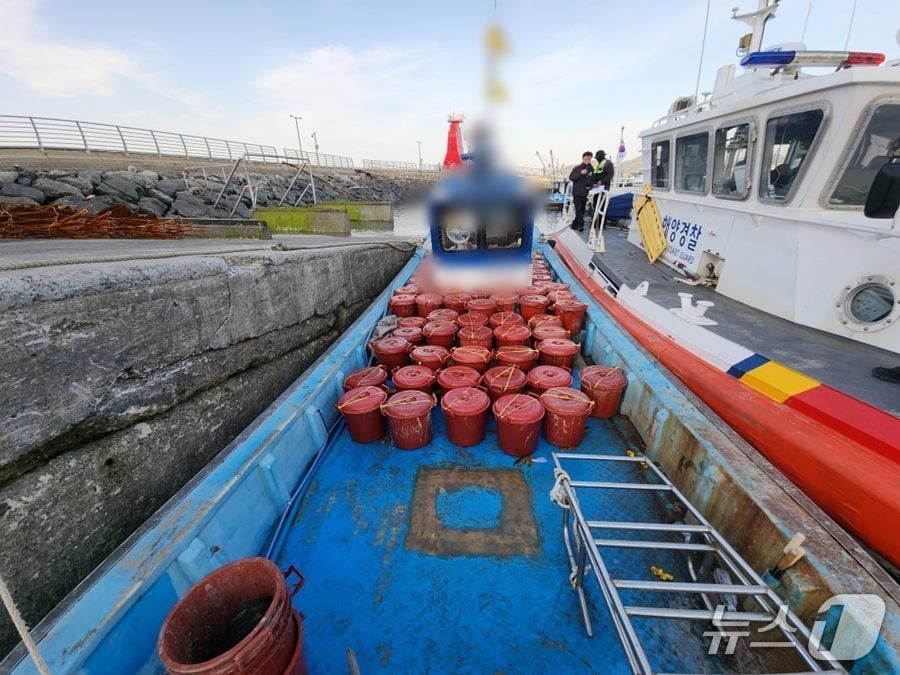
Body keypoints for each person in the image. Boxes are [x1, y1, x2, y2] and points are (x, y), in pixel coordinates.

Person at [568, 151, 593, 231]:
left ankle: (574, 225)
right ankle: (581, 225)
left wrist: (592, 186)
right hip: (577, 193)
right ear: (583, 159)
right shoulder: (577, 168)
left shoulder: (591, 169)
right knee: (578, 209)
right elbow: (571, 177)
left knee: (582, 210)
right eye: (586, 159)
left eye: (589, 159)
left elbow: (592, 180)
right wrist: (580, 173)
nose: (587, 161)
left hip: (585, 193)